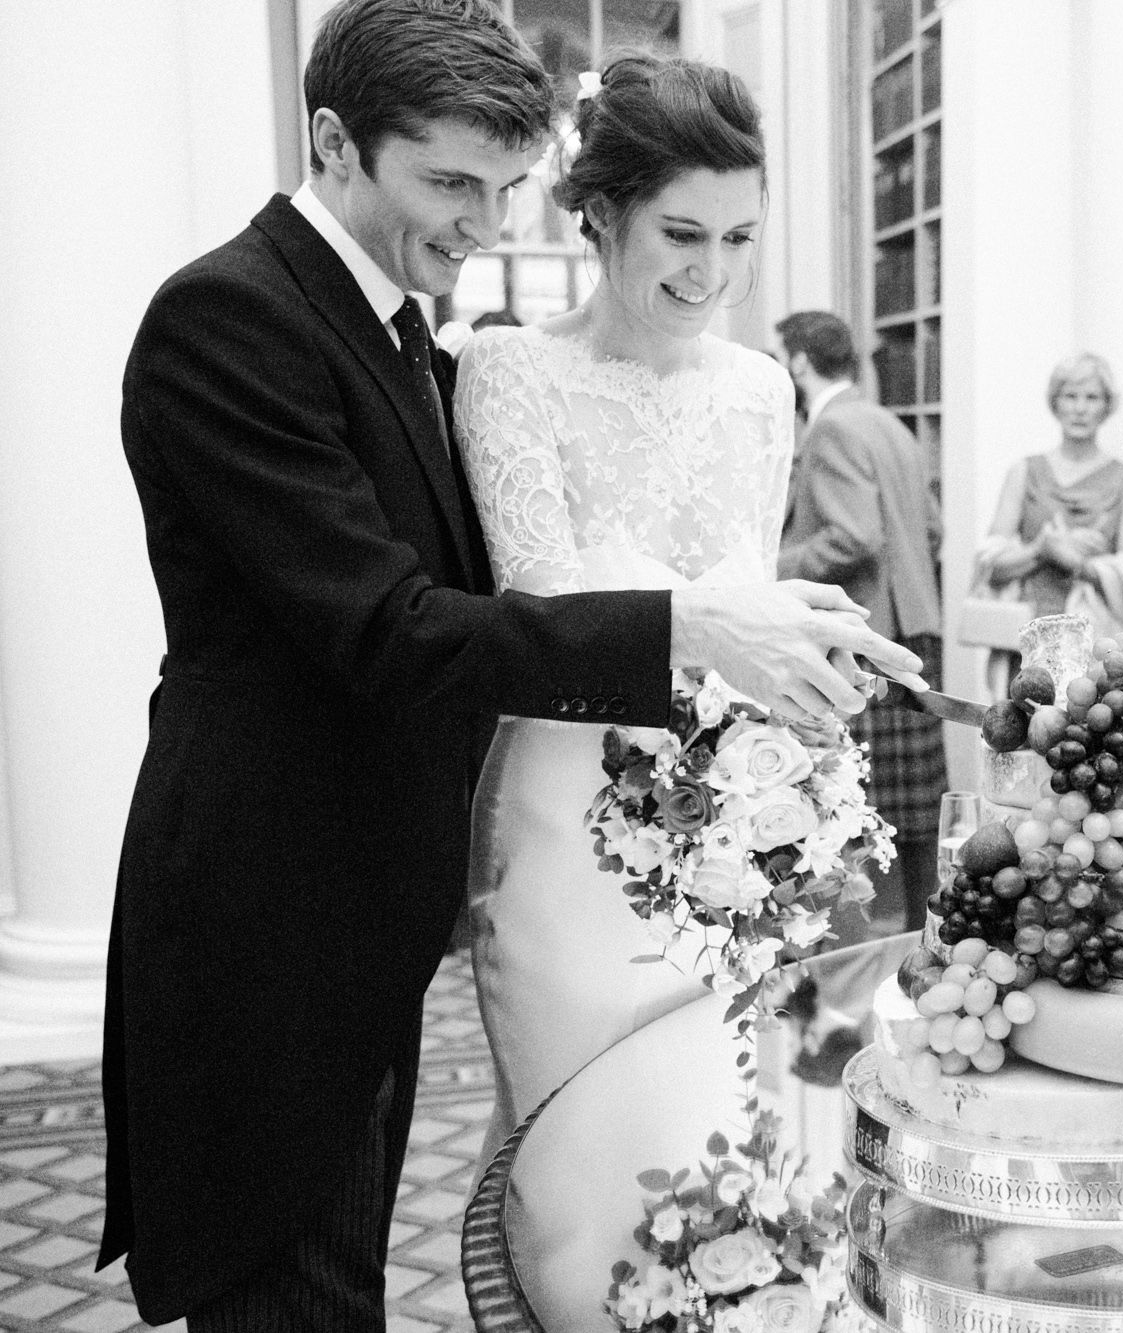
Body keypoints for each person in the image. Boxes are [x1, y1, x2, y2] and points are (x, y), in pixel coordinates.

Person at [100, 5, 922, 1326]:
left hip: (375, 895)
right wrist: (698, 630)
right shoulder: (229, 319)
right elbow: (389, 624)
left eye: (500, 186)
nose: (482, 222)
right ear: (335, 143)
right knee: (288, 1285)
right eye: (447, 182)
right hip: (272, 905)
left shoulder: (396, 329)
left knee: (348, 1271)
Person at [457, 55, 831, 1167]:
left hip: (736, 827)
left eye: (738, 237)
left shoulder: (765, 390)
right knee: (578, 1147)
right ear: (602, 213)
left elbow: (750, 608)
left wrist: (808, 679)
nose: (712, 272)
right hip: (568, 830)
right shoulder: (510, 370)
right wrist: (720, 625)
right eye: (681, 233)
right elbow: (536, 607)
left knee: (715, 1136)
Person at [776, 310, 947, 932]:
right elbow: (931, 529)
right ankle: (921, 938)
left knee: (862, 808)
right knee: (916, 811)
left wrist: (772, 567)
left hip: (866, 635)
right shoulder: (889, 423)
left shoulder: (831, 430)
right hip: (913, 625)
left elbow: (854, 536)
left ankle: (867, 954)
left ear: (798, 361)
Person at [978, 353, 1123, 643]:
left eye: (1092, 397)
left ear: (1107, 406)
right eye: (1070, 396)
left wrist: (1076, 562)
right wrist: (1040, 549)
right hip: (1028, 636)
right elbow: (990, 568)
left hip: (1097, 640)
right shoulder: (1024, 471)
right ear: (1055, 403)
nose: (1080, 409)